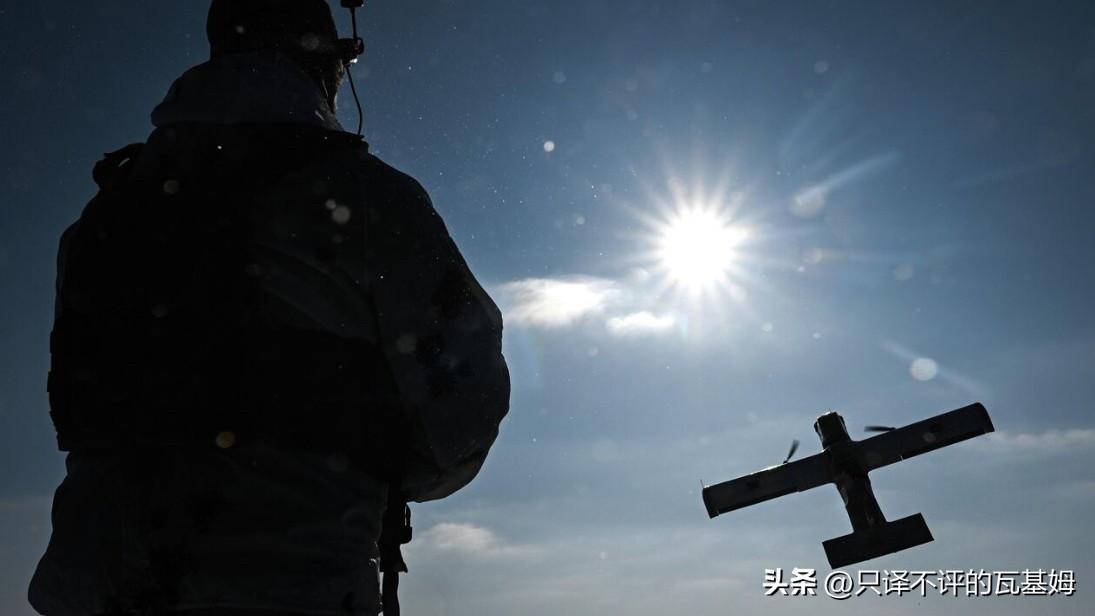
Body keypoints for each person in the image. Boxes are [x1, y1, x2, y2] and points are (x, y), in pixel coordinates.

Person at [28, 1, 511, 615]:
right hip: (292, 585)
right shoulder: (370, 197)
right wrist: (369, 469)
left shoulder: (99, 221)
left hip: (91, 590)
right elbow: (464, 414)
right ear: (323, 61)